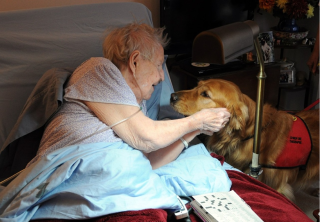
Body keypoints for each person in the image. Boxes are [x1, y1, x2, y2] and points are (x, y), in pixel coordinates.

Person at [27, 22, 230, 169]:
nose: (161, 77)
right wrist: (197, 121)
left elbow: (150, 162)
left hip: (111, 180)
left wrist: (192, 132)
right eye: (159, 65)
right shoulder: (98, 70)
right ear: (135, 61)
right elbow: (145, 137)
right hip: (65, 174)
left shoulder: (136, 108)